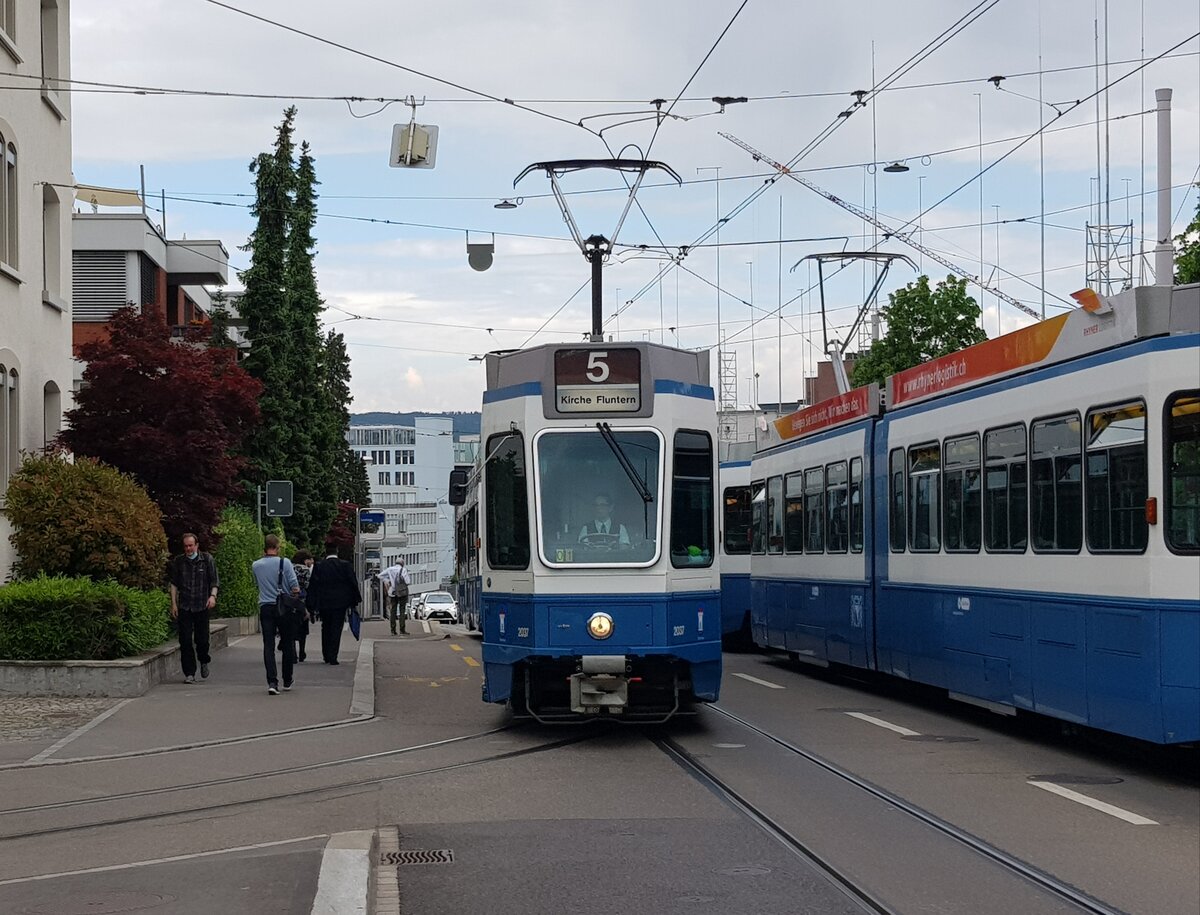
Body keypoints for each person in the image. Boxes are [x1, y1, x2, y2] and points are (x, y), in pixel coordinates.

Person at [251, 534, 300, 695]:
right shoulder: (284, 562)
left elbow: (257, 584)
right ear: (277, 547)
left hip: (265, 607)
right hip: (283, 608)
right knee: (287, 644)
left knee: (268, 645)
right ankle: (287, 679)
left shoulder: (256, 565)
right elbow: (295, 587)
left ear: (264, 547)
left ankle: (272, 682)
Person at [168, 533, 219, 684]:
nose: (188, 549)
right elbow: (174, 584)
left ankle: (203, 660)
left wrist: (212, 596)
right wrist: (174, 603)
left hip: (202, 605)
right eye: (186, 546)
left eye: (191, 545)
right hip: (185, 606)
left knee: (202, 640)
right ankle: (189, 673)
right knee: (185, 640)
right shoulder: (179, 561)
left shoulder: (207, 559)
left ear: (196, 545)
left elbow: (214, 581)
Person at [307, 547, 362, 665]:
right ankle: (333, 656)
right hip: (340, 603)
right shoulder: (345, 565)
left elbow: (313, 585)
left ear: (326, 553)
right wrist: (354, 601)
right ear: (337, 552)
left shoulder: (319, 566)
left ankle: (326, 654)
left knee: (325, 627)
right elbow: (352, 583)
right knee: (337, 628)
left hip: (324, 602)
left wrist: (311, 605)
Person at [291, 549, 315, 662]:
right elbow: (308, 585)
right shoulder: (305, 570)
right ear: (305, 560)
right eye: (310, 559)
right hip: (302, 601)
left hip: (290, 600)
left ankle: (293, 653)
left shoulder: (290, 567)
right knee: (302, 629)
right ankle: (302, 652)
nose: (312, 562)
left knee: (291, 628)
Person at [379, 560, 411, 635]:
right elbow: (407, 581)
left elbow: (380, 575)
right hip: (401, 592)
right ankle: (402, 629)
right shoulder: (403, 570)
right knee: (402, 610)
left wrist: (388, 581)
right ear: (402, 563)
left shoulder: (390, 569)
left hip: (392, 592)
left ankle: (393, 630)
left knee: (393, 610)